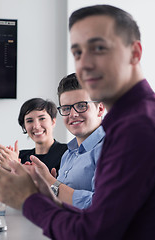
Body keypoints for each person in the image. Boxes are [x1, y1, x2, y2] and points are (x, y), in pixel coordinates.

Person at [0, 4, 155, 240]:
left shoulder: (140, 126)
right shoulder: (137, 116)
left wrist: (28, 200)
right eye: (77, 53)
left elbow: (92, 233)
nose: (84, 64)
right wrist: (45, 192)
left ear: (134, 53)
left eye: (99, 48)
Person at [30, 73, 105, 209]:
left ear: (100, 109)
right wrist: (45, 186)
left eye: (81, 105)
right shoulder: (68, 154)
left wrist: (52, 183)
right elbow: (62, 199)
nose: (73, 114)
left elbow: (103, 206)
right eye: (66, 108)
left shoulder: (111, 148)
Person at [0, 98, 67, 196]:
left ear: (53, 122)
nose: (36, 126)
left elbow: (66, 192)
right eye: (29, 121)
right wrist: (5, 170)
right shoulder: (21, 157)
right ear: (24, 127)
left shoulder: (68, 152)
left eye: (42, 118)